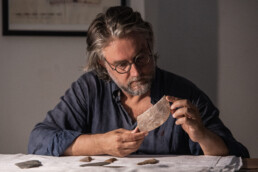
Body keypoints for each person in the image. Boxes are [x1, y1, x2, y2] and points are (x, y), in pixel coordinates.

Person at [28, 6, 249, 158]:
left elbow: (238, 157)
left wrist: (202, 135)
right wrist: (102, 144)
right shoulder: (89, 89)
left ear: (150, 44)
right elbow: (39, 140)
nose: (136, 72)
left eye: (141, 57)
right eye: (122, 65)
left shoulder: (183, 93)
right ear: (102, 64)